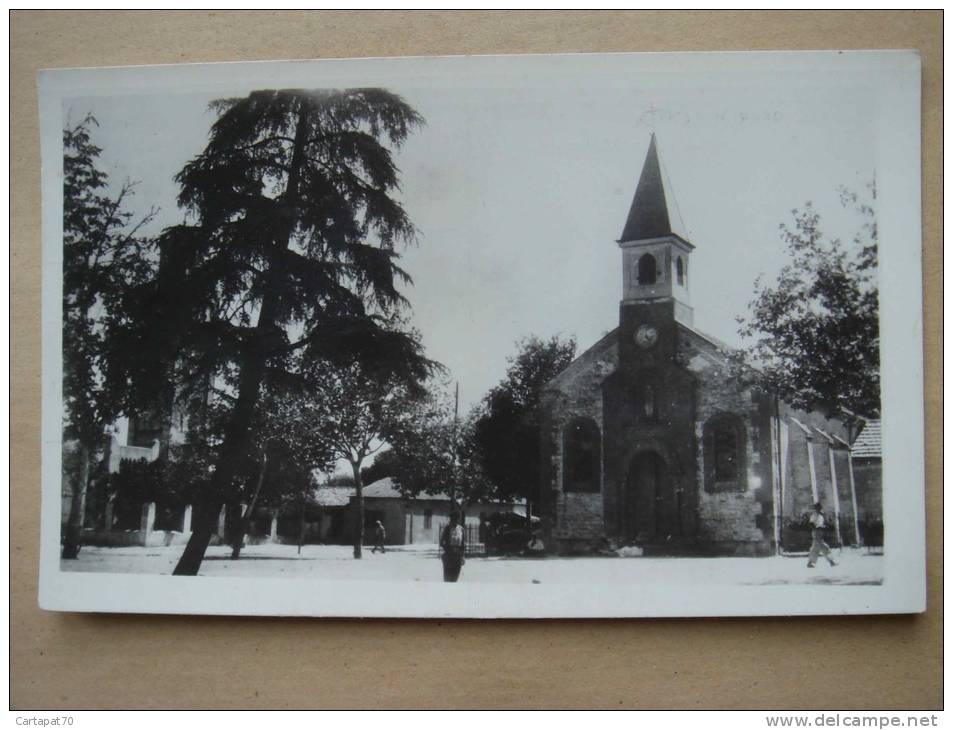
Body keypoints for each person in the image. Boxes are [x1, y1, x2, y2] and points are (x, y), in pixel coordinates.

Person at [807, 501, 837, 568]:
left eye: (820, 507)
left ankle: (830, 561)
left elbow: (822, 523)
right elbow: (811, 523)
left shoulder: (821, 515)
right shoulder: (814, 515)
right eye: (818, 507)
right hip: (816, 532)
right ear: (816, 508)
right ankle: (831, 561)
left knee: (820, 548)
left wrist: (824, 526)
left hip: (820, 532)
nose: (819, 508)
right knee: (821, 548)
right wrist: (817, 528)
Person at [439, 512, 466, 582]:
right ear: (451, 519)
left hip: (458, 556)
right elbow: (441, 542)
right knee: (447, 577)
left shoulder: (461, 529)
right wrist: (448, 550)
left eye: (456, 519)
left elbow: (463, 544)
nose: (455, 521)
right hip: (449, 555)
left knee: (455, 576)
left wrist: (462, 556)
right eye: (453, 519)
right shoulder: (447, 528)